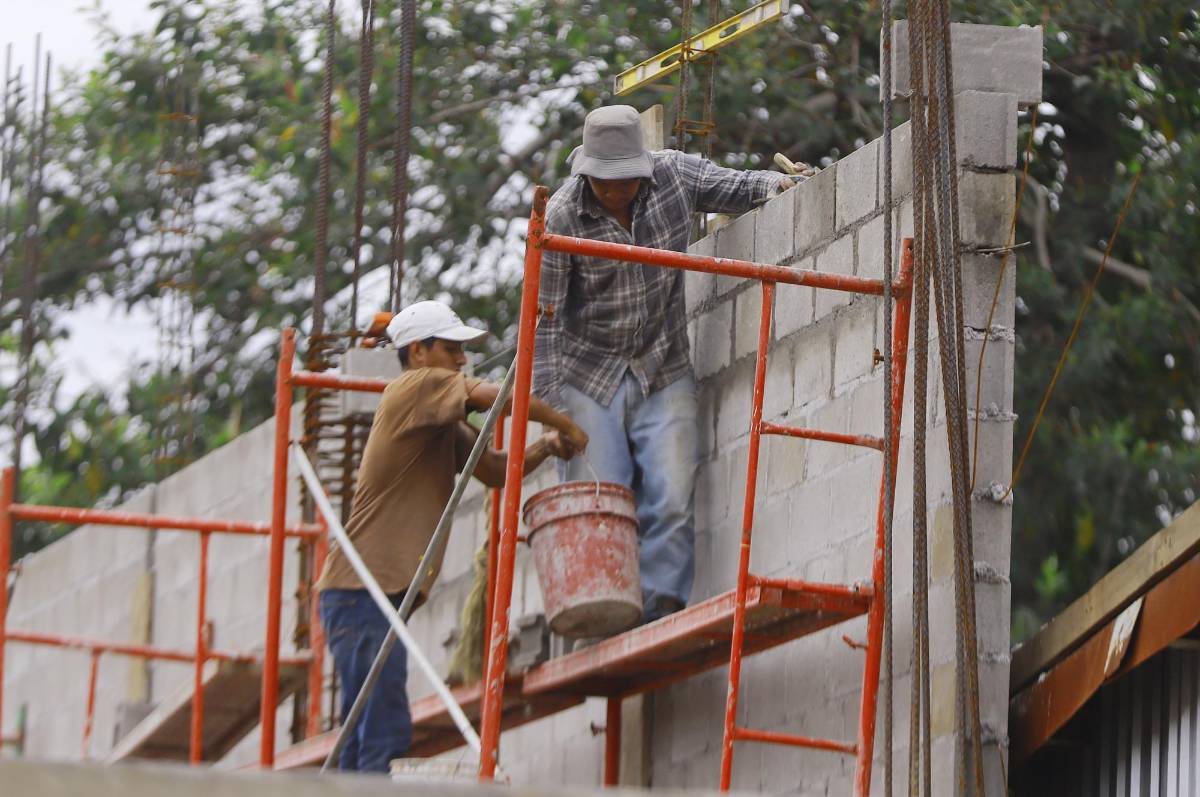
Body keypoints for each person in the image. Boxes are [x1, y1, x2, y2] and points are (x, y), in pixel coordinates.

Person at [533, 104, 795, 624]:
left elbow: (737, 186)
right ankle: (608, 608)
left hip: (662, 360)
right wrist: (551, 412)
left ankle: (660, 604)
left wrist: (779, 186)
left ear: (642, 169)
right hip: (590, 372)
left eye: (626, 180)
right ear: (587, 174)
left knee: (673, 492)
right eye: (606, 183)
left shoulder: (674, 175)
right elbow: (545, 321)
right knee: (605, 497)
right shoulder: (563, 214)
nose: (616, 192)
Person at [315, 300, 588, 773]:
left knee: (366, 737)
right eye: (452, 349)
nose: (462, 360)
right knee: (382, 733)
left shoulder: (435, 423)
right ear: (418, 351)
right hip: (362, 592)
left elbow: (496, 471)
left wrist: (545, 445)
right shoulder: (415, 386)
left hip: (364, 595)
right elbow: (496, 397)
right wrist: (564, 424)